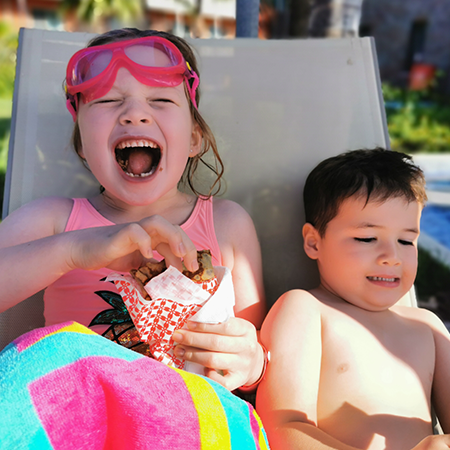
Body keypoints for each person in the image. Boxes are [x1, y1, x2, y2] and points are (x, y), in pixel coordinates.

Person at [0, 28, 266, 391]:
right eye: (108, 101)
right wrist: (72, 252)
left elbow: (251, 344)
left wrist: (253, 366)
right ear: (82, 143)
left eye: (160, 100)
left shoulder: (227, 224)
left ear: (192, 139)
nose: (134, 114)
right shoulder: (53, 221)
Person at [256, 148, 450, 449]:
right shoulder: (306, 310)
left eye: (406, 241)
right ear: (313, 242)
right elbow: (283, 429)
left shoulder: (428, 328)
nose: (392, 257)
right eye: (367, 238)